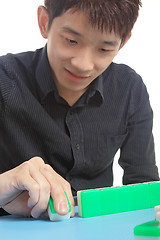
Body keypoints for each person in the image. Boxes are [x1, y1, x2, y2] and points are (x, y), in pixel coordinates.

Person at [0, 0, 159, 219]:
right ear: (44, 22)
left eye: (104, 49)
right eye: (71, 40)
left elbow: (145, 188)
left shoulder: (129, 89)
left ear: (123, 42)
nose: (83, 64)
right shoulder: (4, 80)